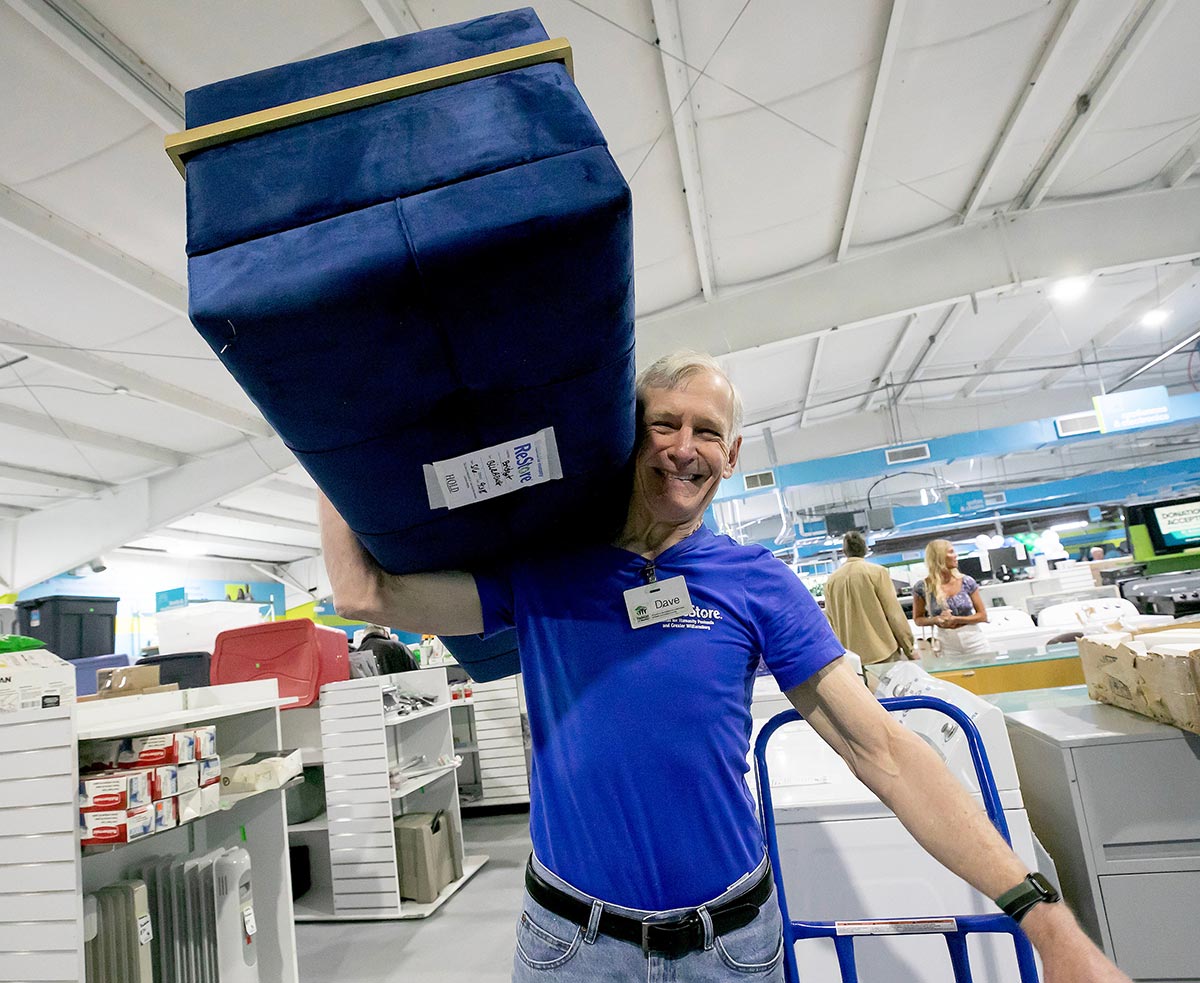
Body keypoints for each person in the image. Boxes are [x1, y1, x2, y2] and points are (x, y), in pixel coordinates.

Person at [320, 351, 1128, 983]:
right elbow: (365, 592)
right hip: (571, 945)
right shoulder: (545, 572)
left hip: (730, 947)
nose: (683, 448)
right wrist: (320, 418)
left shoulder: (758, 583)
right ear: (628, 437)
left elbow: (883, 749)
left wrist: (1045, 920)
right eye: (663, 425)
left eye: (706, 431)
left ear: (732, 454)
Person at [823, 529, 914, 686]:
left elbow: (831, 621)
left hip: (852, 660)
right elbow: (894, 614)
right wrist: (909, 648)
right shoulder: (877, 572)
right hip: (884, 654)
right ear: (865, 548)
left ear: (844, 551)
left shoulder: (831, 581)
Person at [913, 539, 990, 656]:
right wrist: (935, 620)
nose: (955, 556)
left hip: (974, 639)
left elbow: (982, 616)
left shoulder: (966, 581)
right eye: (951, 552)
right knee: (955, 674)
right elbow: (918, 619)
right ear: (939, 556)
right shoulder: (922, 587)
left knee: (985, 672)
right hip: (945, 642)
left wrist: (956, 619)